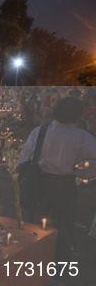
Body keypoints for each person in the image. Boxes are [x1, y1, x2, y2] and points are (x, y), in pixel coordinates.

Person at [18, 97, 96, 262]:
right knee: (63, 228)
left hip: (38, 184)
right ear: (77, 115)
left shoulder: (40, 131)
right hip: (65, 186)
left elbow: (23, 160)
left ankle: (32, 261)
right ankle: (59, 265)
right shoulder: (81, 136)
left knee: (34, 223)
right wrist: (81, 172)